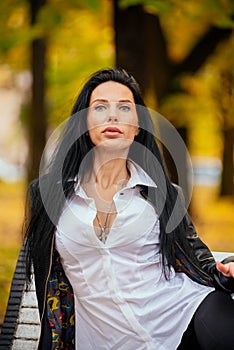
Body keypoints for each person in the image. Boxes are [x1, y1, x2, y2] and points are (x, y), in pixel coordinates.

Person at [24, 68, 234, 350]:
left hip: (183, 318)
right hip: (105, 340)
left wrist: (228, 269)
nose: (113, 116)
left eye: (125, 107)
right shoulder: (48, 194)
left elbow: (197, 256)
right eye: (100, 107)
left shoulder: (164, 194)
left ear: (137, 127)